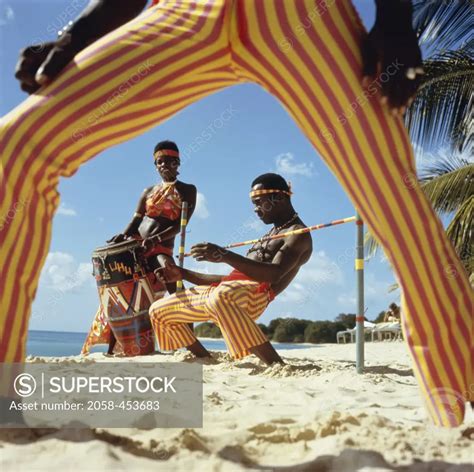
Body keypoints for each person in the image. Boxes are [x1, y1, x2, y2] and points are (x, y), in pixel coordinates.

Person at [1, 0, 472, 427]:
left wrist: (393, 20)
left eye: (265, 198)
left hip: (298, 12)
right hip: (188, 10)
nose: (259, 204)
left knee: (398, 207)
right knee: (15, 151)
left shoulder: (269, 222)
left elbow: (254, 264)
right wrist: (76, 37)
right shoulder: (153, 189)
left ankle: (460, 407)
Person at [150, 173, 312, 365]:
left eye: (259, 202)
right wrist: (182, 274)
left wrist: (224, 255)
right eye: (254, 204)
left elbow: (274, 274)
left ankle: (276, 364)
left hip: (255, 296)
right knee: (158, 310)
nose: (256, 210)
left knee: (221, 295)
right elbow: (228, 280)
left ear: (280, 198)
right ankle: (206, 358)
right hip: (228, 292)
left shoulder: (298, 235)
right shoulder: (272, 233)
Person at [81, 139, 196, 355]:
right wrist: (123, 236)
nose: (165, 165)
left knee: (175, 283)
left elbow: (179, 225)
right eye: (160, 162)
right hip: (136, 247)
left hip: (160, 248)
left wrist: (155, 240)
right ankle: (115, 348)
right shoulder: (148, 191)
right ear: (155, 165)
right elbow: (136, 221)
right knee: (118, 291)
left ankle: (190, 344)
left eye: (170, 161)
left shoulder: (188, 190)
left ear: (178, 163)